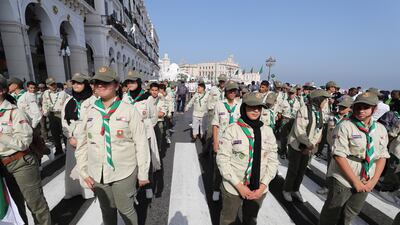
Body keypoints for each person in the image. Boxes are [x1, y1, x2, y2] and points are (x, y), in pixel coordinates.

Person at [75, 66, 150, 225]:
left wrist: (143, 173)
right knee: (106, 211)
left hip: (124, 171)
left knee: (126, 210)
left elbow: (141, 143)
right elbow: (82, 144)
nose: (100, 86)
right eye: (96, 83)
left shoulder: (129, 111)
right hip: (98, 172)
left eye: (105, 82)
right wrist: (83, 171)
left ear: (116, 85)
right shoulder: (90, 111)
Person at [319, 92, 390, 225]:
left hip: (366, 176)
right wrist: (355, 182)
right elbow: (339, 156)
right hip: (343, 176)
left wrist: (373, 181)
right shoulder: (345, 126)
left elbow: (382, 157)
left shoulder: (380, 129)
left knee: (351, 212)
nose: (361, 111)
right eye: (358, 107)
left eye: (365, 107)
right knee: (332, 211)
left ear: (374, 109)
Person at [217, 92, 279, 225]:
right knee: (228, 219)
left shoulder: (267, 132)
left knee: (251, 220)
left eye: (259, 107)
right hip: (233, 186)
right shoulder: (232, 130)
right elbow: (222, 160)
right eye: (251, 107)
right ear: (243, 108)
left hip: (258, 189)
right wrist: (240, 187)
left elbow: (273, 161)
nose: (256, 110)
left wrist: (262, 186)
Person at [0, 75, 52, 225]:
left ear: (2, 91)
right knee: (15, 207)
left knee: (35, 204)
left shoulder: (15, 112)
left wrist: (1, 136)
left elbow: (23, 143)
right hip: (2, 167)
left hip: (20, 162)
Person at [282, 89, 331, 202]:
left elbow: (319, 130)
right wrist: (308, 145)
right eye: (324, 100)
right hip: (297, 145)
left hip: (308, 146)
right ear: (318, 100)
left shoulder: (319, 111)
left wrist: (312, 144)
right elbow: (299, 131)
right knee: (293, 169)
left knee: (302, 169)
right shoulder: (304, 110)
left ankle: (295, 189)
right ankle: (287, 189)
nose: (325, 103)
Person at [61, 73, 94, 199]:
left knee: (88, 163)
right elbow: (64, 120)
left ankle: (90, 190)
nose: (75, 85)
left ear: (85, 84)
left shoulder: (93, 100)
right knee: (72, 164)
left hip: (88, 136)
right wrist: (69, 137)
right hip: (73, 136)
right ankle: (73, 190)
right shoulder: (69, 101)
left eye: (79, 83)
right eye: (74, 83)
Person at [211, 81, 241, 201]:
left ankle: (230, 190)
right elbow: (215, 125)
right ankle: (216, 189)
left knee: (233, 167)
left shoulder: (240, 105)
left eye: (235, 91)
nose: (233, 93)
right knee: (218, 167)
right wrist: (215, 142)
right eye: (230, 91)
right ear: (226, 92)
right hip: (222, 141)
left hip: (235, 142)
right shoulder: (219, 104)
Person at [317, 96, 353, 195]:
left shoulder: (352, 119)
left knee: (343, 169)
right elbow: (330, 131)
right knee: (330, 167)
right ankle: (327, 186)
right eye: (340, 106)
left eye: (344, 107)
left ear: (350, 108)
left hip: (346, 148)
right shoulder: (332, 116)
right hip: (332, 146)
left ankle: (339, 188)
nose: (341, 109)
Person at [42, 77, 68, 155]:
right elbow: (44, 103)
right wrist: (45, 112)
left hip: (61, 114)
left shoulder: (63, 92)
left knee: (64, 131)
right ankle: (58, 149)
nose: (53, 86)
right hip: (51, 114)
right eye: (51, 85)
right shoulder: (46, 93)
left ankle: (67, 148)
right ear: (47, 85)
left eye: (54, 84)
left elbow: (67, 102)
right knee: (54, 133)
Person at [279, 87, 301, 159]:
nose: (291, 95)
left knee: (292, 138)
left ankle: (290, 153)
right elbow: (280, 112)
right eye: (290, 93)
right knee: (284, 137)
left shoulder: (298, 102)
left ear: (295, 94)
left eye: (292, 93)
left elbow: (300, 112)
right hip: (285, 119)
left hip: (293, 120)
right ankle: (283, 152)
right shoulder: (284, 101)